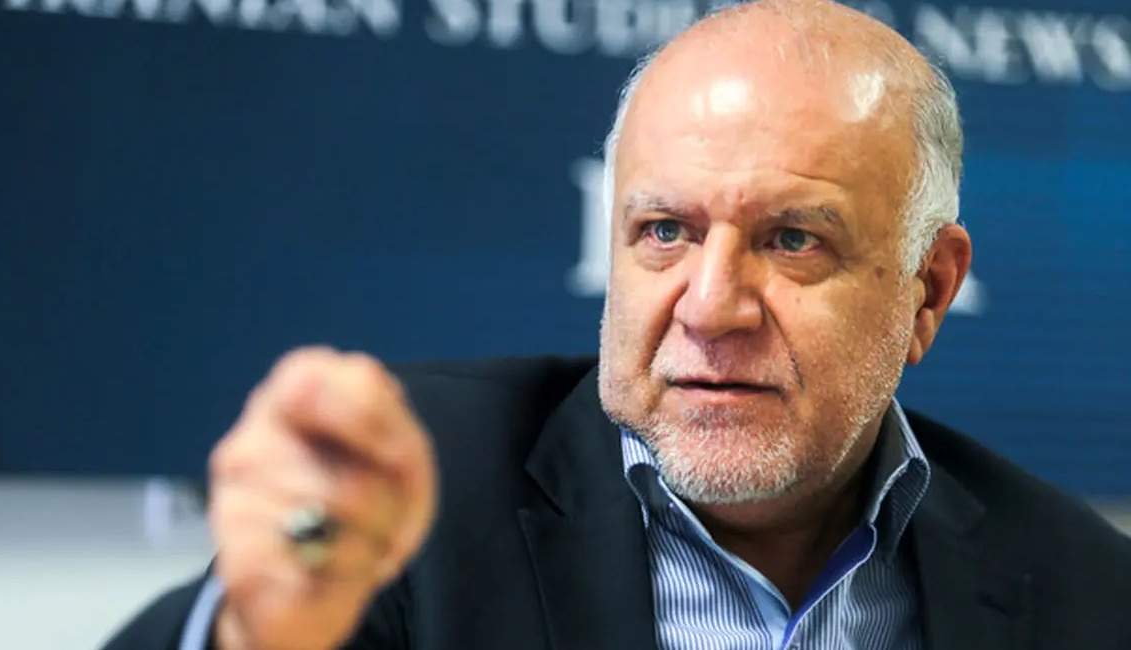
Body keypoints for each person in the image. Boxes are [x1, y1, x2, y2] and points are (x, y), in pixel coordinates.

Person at [105, 1, 1131, 648]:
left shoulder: (1085, 589)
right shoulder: (418, 490)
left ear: (927, 290)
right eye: (665, 231)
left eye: (792, 240)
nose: (711, 306)